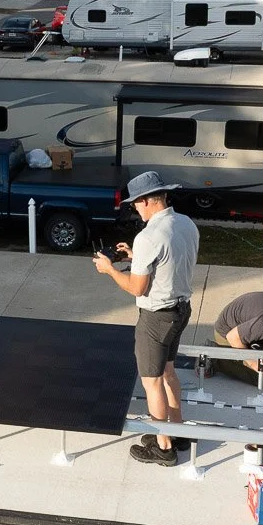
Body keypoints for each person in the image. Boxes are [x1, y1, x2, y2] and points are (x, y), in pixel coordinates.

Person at [93, 171, 200, 468]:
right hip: (181, 310)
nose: (135, 210)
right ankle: (176, 431)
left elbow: (137, 287)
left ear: (147, 200)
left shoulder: (149, 236)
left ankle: (163, 447)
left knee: (151, 382)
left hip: (156, 318)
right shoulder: (186, 224)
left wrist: (110, 270)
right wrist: (135, 258)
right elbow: (171, 261)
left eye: (135, 204)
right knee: (168, 373)